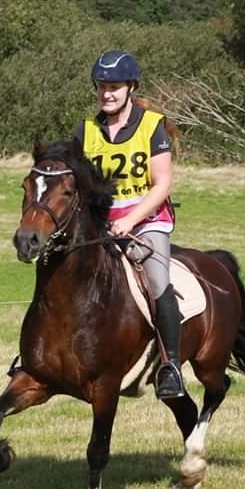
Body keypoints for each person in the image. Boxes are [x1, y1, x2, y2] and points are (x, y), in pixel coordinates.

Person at [72, 49, 184, 399]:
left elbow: (162, 184)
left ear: (131, 88)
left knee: (157, 282)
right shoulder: (86, 131)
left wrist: (130, 221)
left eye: (115, 87)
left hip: (147, 222)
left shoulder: (153, 126)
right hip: (101, 227)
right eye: (101, 86)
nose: (107, 93)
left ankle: (171, 366)